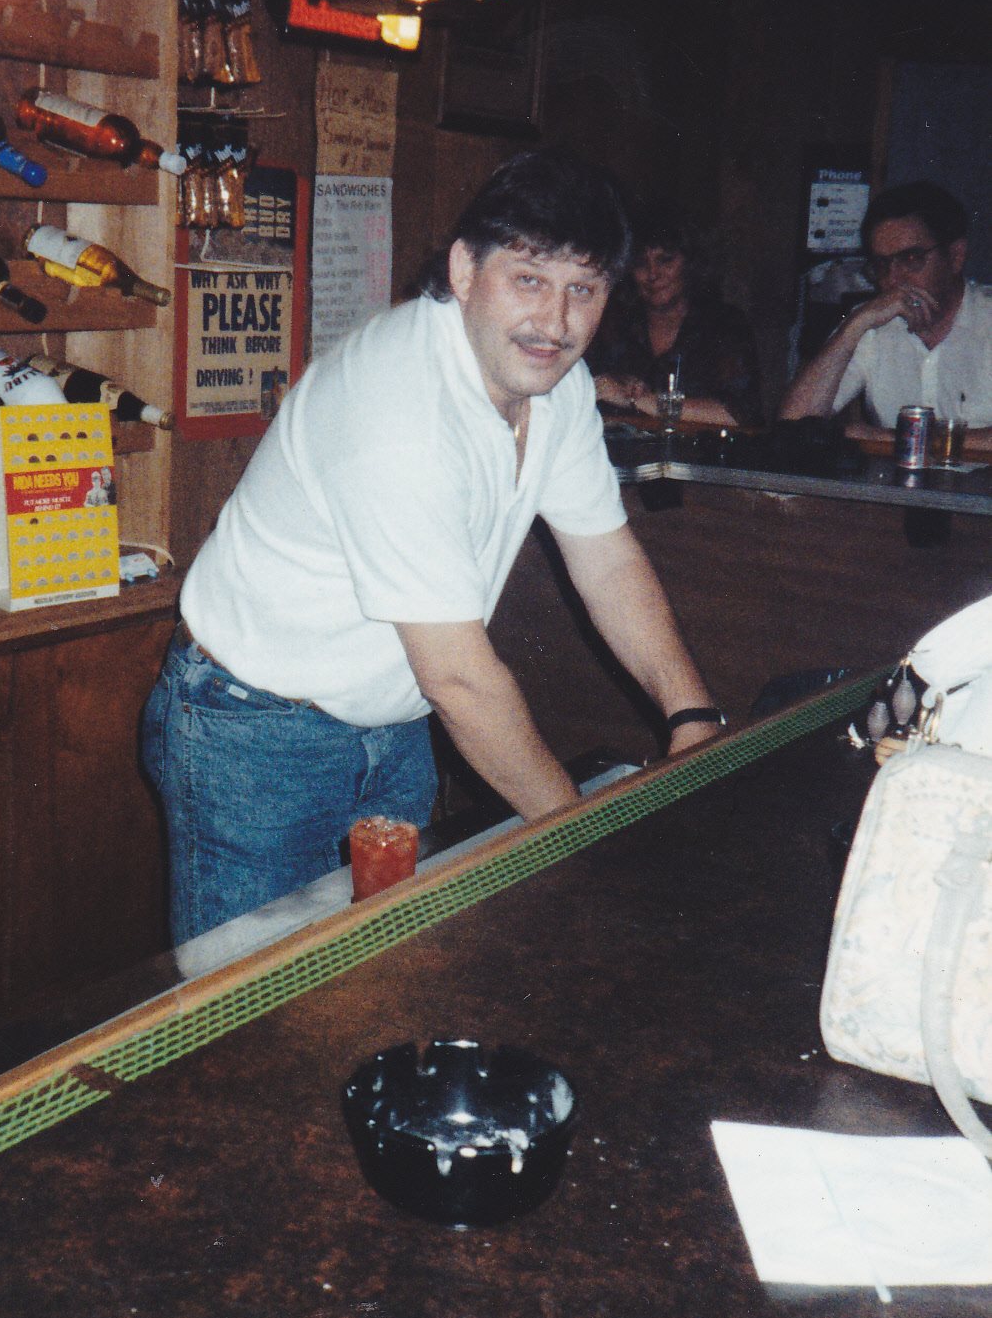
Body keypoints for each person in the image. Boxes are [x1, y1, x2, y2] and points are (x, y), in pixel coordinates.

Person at [142, 148, 726, 944]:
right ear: (463, 270)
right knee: (249, 994)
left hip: (394, 721)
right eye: (529, 279)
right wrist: (581, 838)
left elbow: (608, 560)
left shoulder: (556, 386)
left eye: (583, 290)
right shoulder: (400, 409)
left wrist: (691, 714)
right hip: (254, 732)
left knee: (388, 970)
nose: (556, 323)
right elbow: (459, 679)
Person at [779, 180, 992, 447]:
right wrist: (855, 325)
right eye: (881, 264)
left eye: (911, 259)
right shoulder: (871, 323)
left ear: (955, 256)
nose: (893, 280)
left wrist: (893, 440)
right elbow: (792, 424)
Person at [587, 200, 764, 428]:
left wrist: (639, 400)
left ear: (690, 263)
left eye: (665, 260)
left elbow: (739, 413)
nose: (653, 274)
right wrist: (609, 383)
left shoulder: (723, 324)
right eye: (641, 264)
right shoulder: (611, 323)